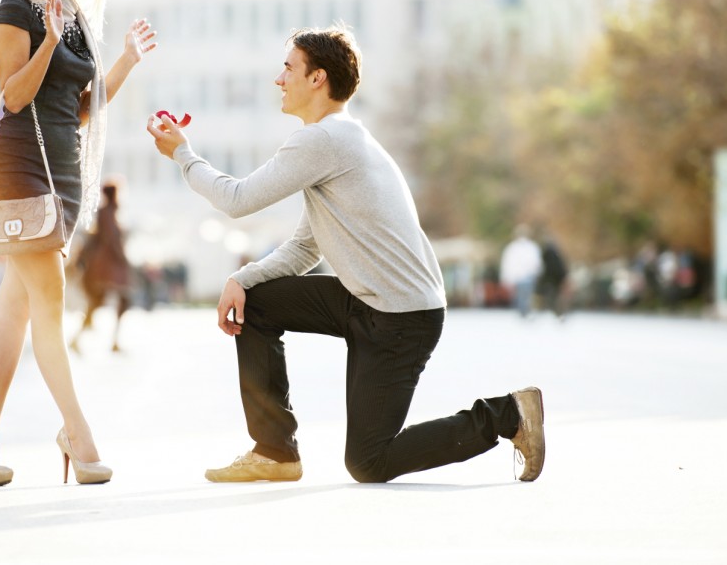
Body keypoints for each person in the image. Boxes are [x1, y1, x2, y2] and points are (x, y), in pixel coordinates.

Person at [146, 26, 545, 484]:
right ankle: (275, 453)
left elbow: (237, 200)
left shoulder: (324, 140)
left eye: (288, 68)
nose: (279, 79)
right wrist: (244, 279)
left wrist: (184, 155)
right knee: (253, 303)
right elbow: (303, 248)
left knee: (368, 462)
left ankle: (507, 416)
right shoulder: (337, 141)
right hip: (368, 301)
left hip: (401, 317)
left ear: (317, 79)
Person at [0, 0, 157, 488]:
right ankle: (77, 432)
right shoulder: (18, 8)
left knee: (17, 309)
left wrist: (124, 60)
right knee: (49, 301)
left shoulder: (78, 21)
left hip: (64, 178)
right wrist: (46, 41)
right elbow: (15, 95)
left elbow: (84, 109)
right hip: (21, 171)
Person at [71, 180, 132, 353]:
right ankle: (112, 341)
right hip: (109, 267)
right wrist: (123, 259)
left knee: (99, 303)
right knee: (119, 300)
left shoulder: (107, 212)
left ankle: (80, 338)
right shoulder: (109, 212)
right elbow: (112, 240)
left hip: (105, 266)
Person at [500, 224, 543, 318]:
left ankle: (523, 313)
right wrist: (537, 274)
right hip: (527, 277)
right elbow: (537, 263)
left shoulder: (512, 248)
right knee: (526, 297)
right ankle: (524, 312)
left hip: (519, 277)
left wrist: (506, 278)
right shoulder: (531, 247)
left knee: (521, 297)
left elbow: (508, 264)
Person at [538, 233, 568, 319]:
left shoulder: (547, 253)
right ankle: (557, 313)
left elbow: (545, 267)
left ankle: (554, 312)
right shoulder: (556, 253)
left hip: (551, 279)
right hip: (556, 278)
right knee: (555, 297)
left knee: (551, 297)